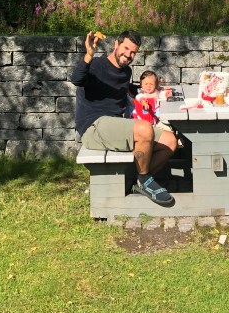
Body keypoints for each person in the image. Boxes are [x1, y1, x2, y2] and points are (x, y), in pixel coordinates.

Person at [71, 30, 177, 207]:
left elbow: (124, 87)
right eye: (126, 48)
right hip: (93, 126)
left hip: (115, 125)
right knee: (144, 129)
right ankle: (145, 180)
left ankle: (133, 181)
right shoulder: (96, 65)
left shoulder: (125, 71)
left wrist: (156, 90)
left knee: (170, 141)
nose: (128, 55)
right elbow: (77, 79)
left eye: (133, 52)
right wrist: (88, 55)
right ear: (116, 44)